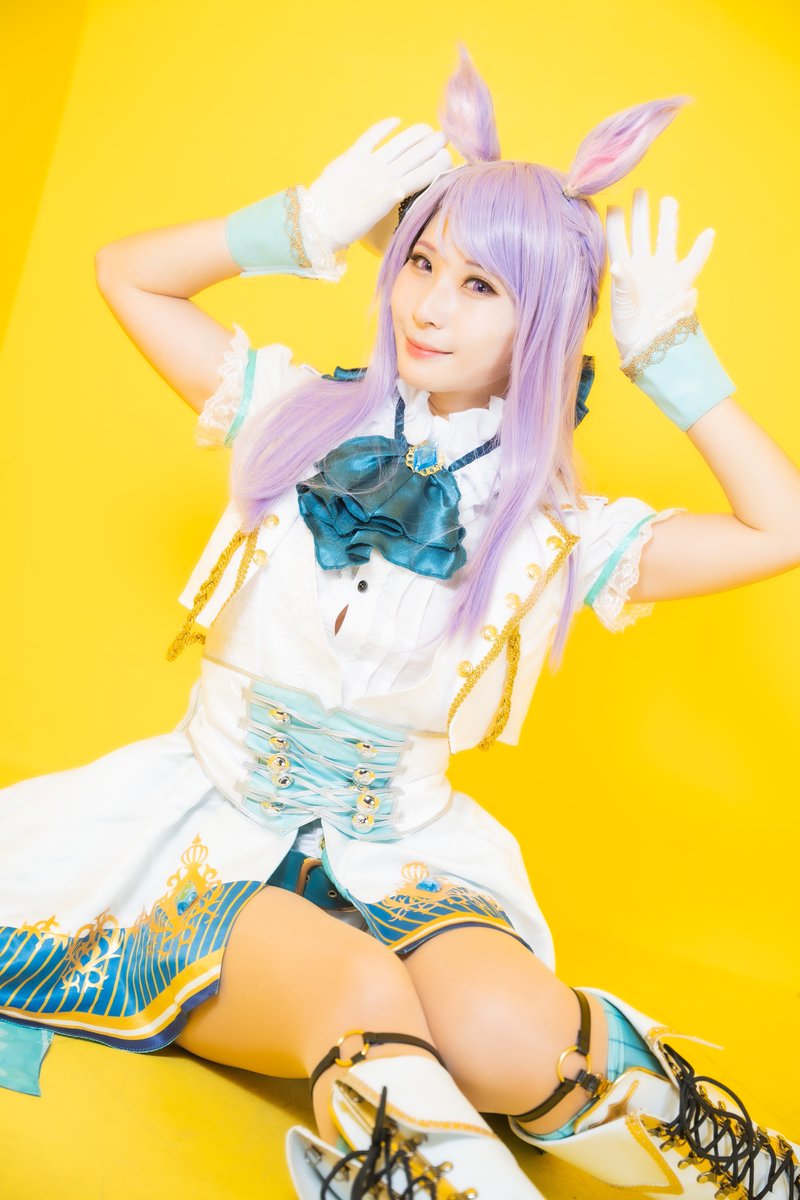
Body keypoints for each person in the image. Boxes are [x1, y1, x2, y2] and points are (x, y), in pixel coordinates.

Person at [1, 42, 798, 1200]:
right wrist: (299, 226)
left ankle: (714, 1152)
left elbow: (780, 528)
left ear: (545, 320)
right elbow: (125, 274)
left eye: (482, 286)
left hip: (406, 857)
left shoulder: (559, 533)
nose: (427, 304)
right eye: (421, 259)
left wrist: (674, 364)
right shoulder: (286, 413)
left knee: (518, 1042)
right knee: (362, 997)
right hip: (203, 836)